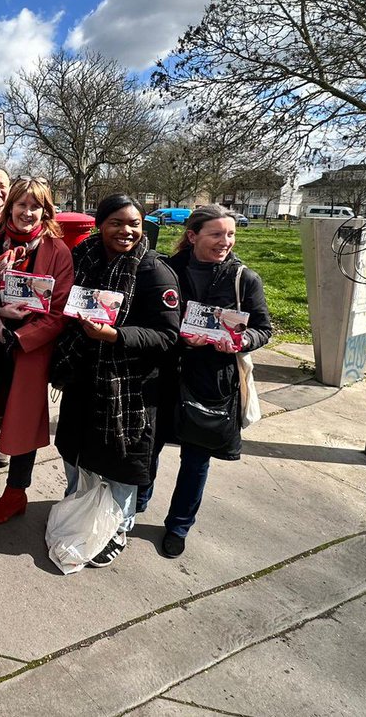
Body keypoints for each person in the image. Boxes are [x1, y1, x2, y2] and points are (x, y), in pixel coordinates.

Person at [50, 194, 181, 567]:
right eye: (117, 223)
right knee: (75, 451)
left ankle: (117, 528)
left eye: (134, 224)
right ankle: (78, 509)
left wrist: (115, 336)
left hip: (128, 388)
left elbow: (167, 336)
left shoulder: (154, 270)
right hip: (81, 377)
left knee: (120, 463)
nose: (126, 231)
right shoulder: (83, 257)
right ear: (100, 224)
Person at [138, 204, 272, 559]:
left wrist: (239, 341)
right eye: (216, 234)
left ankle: (178, 525)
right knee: (149, 445)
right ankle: (137, 503)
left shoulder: (244, 279)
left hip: (211, 381)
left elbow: (263, 329)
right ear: (193, 235)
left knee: (196, 459)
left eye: (230, 234)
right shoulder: (167, 269)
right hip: (164, 374)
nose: (224, 241)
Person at [0, 178, 74, 521]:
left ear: (46, 211)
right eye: (22, 205)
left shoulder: (57, 252)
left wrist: (18, 338)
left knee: (23, 422)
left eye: (36, 206)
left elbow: (60, 311)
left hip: (27, 348)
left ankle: (15, 492)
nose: (28, 213)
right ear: (10, 207)